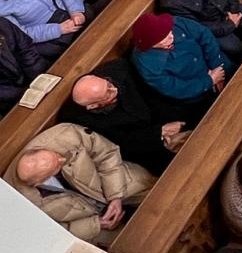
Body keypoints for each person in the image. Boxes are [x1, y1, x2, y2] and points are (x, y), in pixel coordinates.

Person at [12, 123, 156, 242]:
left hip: (105, 181)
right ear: (39, 182)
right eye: (57, 166)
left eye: (56, 156)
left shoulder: (66, 135)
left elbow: (107, 155)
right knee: (126, 245)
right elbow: (51, 232)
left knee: (146, 185)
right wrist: (96, 225)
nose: (62, 159)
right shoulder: (23, 203)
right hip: (86, 217)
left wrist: (115, 196)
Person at [61, 57, 192, 177]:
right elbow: (120, 144)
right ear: (93, 106)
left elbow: (152, 95)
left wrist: (171, 123)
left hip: (164, 113)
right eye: (107, 94)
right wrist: (159, 132)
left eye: (109, 85)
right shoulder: (81, 120)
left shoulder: (119, 71)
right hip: (144, 143)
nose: (115, 90)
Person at [129, 12, 227, 121]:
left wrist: (216, 66)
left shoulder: (174, 23)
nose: (171, 36)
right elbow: (177, 88)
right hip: (197, 92)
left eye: (169, 31)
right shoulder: (147, 65)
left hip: (215, 64)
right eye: (164, 38)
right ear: (151, 45)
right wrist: (209, 80)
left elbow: (204, 34)